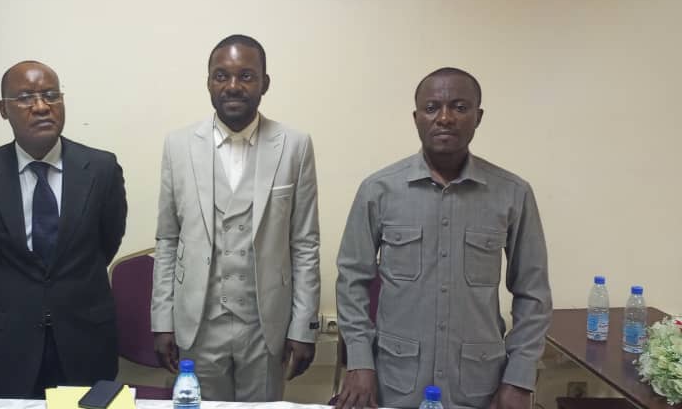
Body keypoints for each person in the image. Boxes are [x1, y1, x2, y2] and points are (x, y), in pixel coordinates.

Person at [334, 67, 551, 409]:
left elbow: (533, 293)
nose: (445, 118)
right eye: (432, 107)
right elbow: (352, 281)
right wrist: (360, 362)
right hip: (396, 381)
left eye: (460, 107)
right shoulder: (378, 190)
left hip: (479, 385)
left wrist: (519, 378)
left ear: (478, 117)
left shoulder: (513, 193)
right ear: (416, 118)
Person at [151, 34, 321, 402]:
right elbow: (167, 240)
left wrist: (304, 327)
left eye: (246, 76)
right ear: (208, 82)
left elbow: (305, 243)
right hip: (198, 324)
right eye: (221, 75)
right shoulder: (178, 145)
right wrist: (162, 321)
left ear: (265, 83)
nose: (232, 86)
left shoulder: (295, 145)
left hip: (266, 326)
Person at [0, 61, 127, 398]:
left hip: (86, 338)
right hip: (11, 341)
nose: (41, 107)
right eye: (25, 98)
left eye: (51, 95)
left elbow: (108, 242)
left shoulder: (101, 169)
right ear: (3, 109)